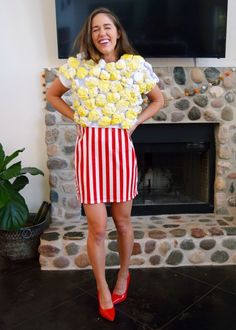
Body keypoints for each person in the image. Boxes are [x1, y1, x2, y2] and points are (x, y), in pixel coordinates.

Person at [46, 7, 164, 322]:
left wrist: (136, 122)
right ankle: (101, 287)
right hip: (90, 153)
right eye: (96, 29)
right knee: (97, 228)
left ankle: (123, 275)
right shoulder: (78, 68)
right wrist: (77, 118)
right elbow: (53, 95)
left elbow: (158, 100)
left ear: (117, 32)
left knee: (123, 223)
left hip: (121, 152)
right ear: (91, 36)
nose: (102, 33)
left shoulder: (135, 66)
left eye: (107, 27)